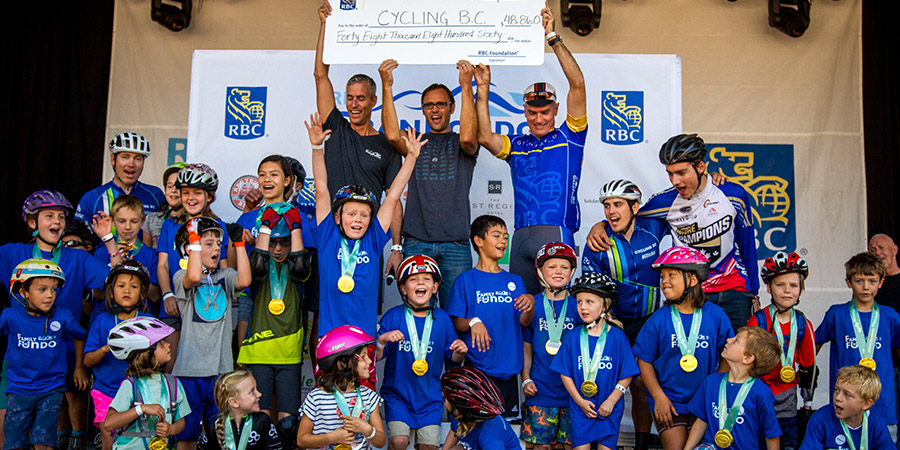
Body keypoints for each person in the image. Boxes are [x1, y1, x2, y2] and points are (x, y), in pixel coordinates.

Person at [587, 134, 759, 333]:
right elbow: (628, 215)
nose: (675, 180)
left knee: (740, 356)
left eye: (681, 172)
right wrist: (600, 225)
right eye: (670, 173)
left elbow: (747, 245)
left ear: (701, 166)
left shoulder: (733, 193)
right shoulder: (665, 202)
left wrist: (753, 291)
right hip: (693, 292)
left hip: (735, 290)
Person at [473, 5, 587, 295]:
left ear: (556, 110)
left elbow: (578, 83)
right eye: (532, 112)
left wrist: (552, 36)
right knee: (522, 311)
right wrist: (482, 90)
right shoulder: (517, 144)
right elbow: (484, 136)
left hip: (555, 230)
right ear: (524, 111)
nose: (538, 118)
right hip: (521, 235)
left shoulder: (570, 135)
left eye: (545, 112)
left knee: (557, 307)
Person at [0, 191, 118, 450]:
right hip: (17, 363)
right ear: (33, 223)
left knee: (45, 437)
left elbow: (116, 279)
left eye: (61, 217)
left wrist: (108, 239)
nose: (57, 221)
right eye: (49, 216)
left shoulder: (77, 257)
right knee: (7, 433)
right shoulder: (12, 252)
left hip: (58, 361)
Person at [305, 113, 420, 340]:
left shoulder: (373, 239)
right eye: (351, 214)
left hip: (364, 341)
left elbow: (393, 196)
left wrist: (411, 158)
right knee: (330, 378)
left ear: (371, 219)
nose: (357, 220)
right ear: (337, 218)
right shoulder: (328, 236)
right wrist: (317, 148)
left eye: (364, 215)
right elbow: (321, 189)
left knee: (361, 377)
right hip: (330, 340)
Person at [379, 59, 479, 308]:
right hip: (416, 241)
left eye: (441, 104)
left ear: (451, 108)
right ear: (423, 109)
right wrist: (387, 85)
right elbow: (392, 135)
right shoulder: (415, 141)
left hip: (456, 243)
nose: (435, 110)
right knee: (417, 312)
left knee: (457, 313)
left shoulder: (464, 142)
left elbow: (468, 136)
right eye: (429, 105)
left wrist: (466, 86)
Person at [314, 1, 404, 276]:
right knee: (325, 309)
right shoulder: (336, 128)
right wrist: (325, 26)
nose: (354, 104)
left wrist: (397, 248)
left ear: (373, 101)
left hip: (368, 238)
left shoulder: (386, 146)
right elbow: (320, 75)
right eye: (349, 98)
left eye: (361, 99)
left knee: (362, 311)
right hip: (331, 233)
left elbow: (394, 198)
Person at [580, 179, 667, 449]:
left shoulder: (653, 225)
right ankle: (601, 441)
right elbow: (591, 290)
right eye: (606, 206)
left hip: (648, 322)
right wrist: (598, 226)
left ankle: (641, 442)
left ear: (635, 207)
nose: (610, 211)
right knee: (605, 383)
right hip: (614, 323)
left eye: (617, 204)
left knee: (641, 384)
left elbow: (683, 197)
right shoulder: (599, 240)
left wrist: (716, 181)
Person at [631, 247, 734, 450]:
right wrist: (659, 397)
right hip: (670, 403)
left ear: (693, 280)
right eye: (662, 276)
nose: (664, 281)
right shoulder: (659, 319)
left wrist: (716, 387)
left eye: (672, 275)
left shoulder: (716, 315)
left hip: (704, 401)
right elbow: (644, 360)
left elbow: (728, 353)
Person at [171, 218, 250, 450]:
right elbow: (194, 277)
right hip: (189, 371)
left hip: (220, 371)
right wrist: (194, 239)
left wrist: (239, 244)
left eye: (218, 243)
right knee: (187, 435)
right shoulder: (180, 276)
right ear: (190, 248)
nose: (216, 248)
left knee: (220, 434)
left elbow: (244, 280)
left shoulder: (223, 277)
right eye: (209, 244)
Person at [446, 214, 535, 418]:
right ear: (479, 241)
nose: (503, 241)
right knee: (474, 431)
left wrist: (530, 306)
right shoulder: (465, 280)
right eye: (496, 235)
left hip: (509, 370)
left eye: (505, 236)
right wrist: (474, 322)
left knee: (504, 433)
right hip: (477, 369)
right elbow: (457, 323)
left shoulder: (515, 281)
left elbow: (524, 322)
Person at [236, 206, 310, 450]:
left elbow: (300, 263)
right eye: (273, 243)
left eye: (284, 243)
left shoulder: (298, 270)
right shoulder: (257, 269)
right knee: (260, 421)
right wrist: (265, 226)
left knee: (288, 425)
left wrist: (296, 226)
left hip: (288, 352)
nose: (277, 249)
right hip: (258, 351)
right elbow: (257, 262)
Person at [376, 255, 467, 450]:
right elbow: (375, 357)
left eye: (427, 279)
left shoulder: (442, 319)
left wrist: (460, 350)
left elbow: (454, 358)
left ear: (435, 287)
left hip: (430, 399)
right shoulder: (393, 316)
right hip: (397, 396)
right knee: (399, 441)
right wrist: (381, 341)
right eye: (413, 279)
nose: (420, 283)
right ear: (403, 288)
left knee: (429, 447)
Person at [1, 259, 87, 450]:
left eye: (53, 289)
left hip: (51, 389)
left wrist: (79, 367)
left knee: (44, 443)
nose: (50, 295)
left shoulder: (62, 316)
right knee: (14, 443)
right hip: (19, 389)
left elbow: (80, 335)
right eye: (42, 289)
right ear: (23, 292)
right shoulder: (9, 316)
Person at [817, 251, 900, 442]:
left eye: (871, 281)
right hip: (845, 405)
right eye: (859, 281)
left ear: (881, 282)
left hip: (883, 404)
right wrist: (806, 371)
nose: (865, 287)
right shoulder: (837, 314)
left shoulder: (890, 316)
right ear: (848, 282)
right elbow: (815, 343)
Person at [550, 273, 639, 450]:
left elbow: (627, 374)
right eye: (579, 301)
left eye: (589, 302)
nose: (583, 307)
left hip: (609, 409)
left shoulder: (618, 337)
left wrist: (611, 401)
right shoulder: (573, 337)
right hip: (581, 409)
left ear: (605, 305)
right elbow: (565, 373)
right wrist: (579, 401)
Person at [156, 163, 231, 371]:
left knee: (202, 369)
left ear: (209, 196)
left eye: (197, 192)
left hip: (205, 308)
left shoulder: (219, 226)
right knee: (170, 366)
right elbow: (162, 265)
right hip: (172, 306)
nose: (190, 198)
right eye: (185, 192)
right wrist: (167, 294)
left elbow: (224, 267)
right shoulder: (170, 225)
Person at [747, 251, 816, 450]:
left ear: (801, 290)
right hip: (759, 394)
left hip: (788, 395)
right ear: (768, 287)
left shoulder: (803, 324)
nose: (787, 291)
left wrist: (807, 402)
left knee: (787, 443)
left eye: (794, 286)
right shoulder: (758, 321)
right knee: (760, 442)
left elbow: (808, 366)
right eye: (780, 285)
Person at [84, 261, 155, 450]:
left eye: (133, 287)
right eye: (121, 285)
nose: (127, 290)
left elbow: (162, 358)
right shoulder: (102, 321)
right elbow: (87, 360)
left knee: (137, 438)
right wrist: (106, 348)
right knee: (108, 435)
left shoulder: (148, 322)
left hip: (140, 394)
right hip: (106, 391)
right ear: (111, 291)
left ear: (141, 293)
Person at [520, 242, 580, 450]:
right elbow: (527, 346)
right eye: (551, 267)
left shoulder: (580, 305)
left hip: (574, 393)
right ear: (539, 271)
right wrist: (526, 377)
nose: (558, 272)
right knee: (540, 447)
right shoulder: (532, 304)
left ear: (572, 271)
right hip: (541, 391)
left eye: (564, 267)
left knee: (571, 445)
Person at [684, 326, 783, 450]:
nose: (729, 340)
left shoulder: (761, 393)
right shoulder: (712, 382)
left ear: (747, 358)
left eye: (736, 340)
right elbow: (701, 421)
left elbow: (771, 435)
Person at [103, 317, 190, 450]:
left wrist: (171, 429)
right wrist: (140, 409)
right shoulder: (130, 385)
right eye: (161, 343)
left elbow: (181, 421)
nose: (168, 345)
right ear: (146, 353)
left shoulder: (173, 383)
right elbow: (109, 424)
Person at [296, 325, 386, 450]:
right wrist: (331, 437)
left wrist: (368, 430)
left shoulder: (369, 396)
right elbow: (301, 440)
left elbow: (381, 442)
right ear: (343, 363)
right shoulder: (316, 398)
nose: (370, 361)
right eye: (363, 356)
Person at [93, 195, 160, 324]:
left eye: (134, 221)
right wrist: (115, 264)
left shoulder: (151, 254)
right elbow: (98, 294)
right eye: (122, 221)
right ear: (112, 221)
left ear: (142, 221)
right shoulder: (101, 252)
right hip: (106, 320)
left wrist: (136, 272)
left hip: (140, 322)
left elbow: (155, 296)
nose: (128, 227)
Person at [75, 132, 166, 226]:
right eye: (125, 157)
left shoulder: (156, 195)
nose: (131, 164)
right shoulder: (92, 198)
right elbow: (78, 235)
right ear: (113, 160)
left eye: (138, 158)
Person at [800, 365, 897, 450]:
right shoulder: (820, 419)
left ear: (866, 404)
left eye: (847, 395)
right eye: (836, 390)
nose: (838, 398)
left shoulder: (876, 425)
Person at [197, 370, 282, 450]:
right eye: (252, 391)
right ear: (234, 402)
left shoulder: (263, 421)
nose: (259, 394)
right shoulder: (214, 425)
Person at [440, 366, 521, 450]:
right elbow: (455, 431)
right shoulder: (459, 415)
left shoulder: (490, 438)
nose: (444, 402)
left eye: (445, 398)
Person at [871, 233, 900, 428]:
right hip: (879, 365)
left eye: (881, 247)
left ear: (894, 250)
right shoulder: (870, 286)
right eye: (872, 250)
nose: (878, 252)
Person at [143, 162, 186, 249]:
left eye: (178, 187)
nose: (173, 190)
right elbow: (147, 253)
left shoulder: (194, 220)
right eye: (169, 186)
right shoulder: (151, 219)